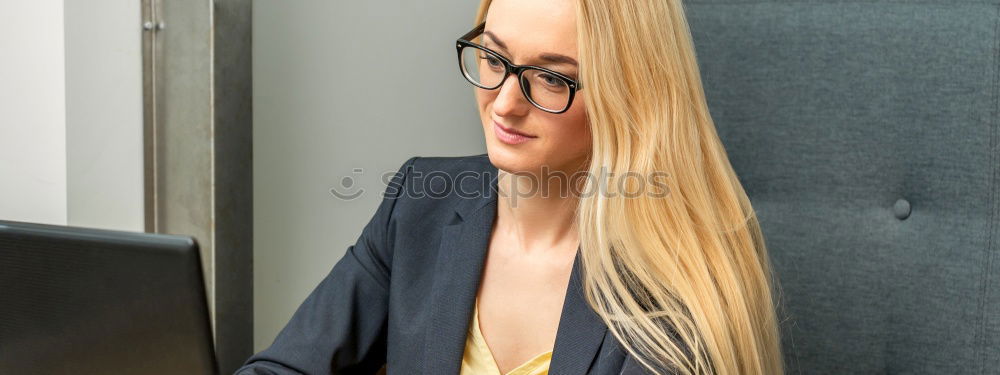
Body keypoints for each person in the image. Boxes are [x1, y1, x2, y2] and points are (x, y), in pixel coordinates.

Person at [236, 0, 784, 374]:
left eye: (551, 77)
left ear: (629, 94)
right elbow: (285, 365)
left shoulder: (677, 282)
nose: (503, 103)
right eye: (494, 57)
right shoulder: (420, 202)